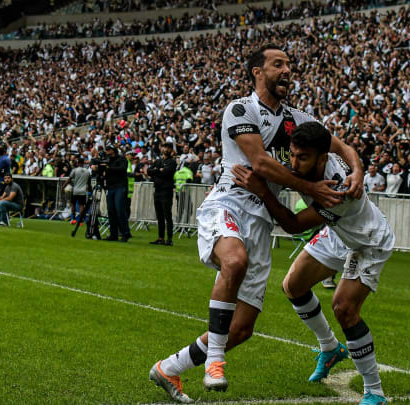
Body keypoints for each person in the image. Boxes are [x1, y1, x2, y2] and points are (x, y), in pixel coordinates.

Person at [149, 44, 364, 403]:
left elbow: (341, 146)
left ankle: (168, 368)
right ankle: (214, 361)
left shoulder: (299, 119)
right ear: (257, 72)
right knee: (234, 261)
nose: (287, 70)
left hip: (262, 220)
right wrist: (311, 187)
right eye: (278, 64)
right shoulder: (240, 109)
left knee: (243, 328)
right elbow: (260, 164)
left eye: (290, 65)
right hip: (228, 203)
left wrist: (357, 170)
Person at [231, 122, 393, 405]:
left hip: (367, 241)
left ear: (322, 158)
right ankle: (330, 348)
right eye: (292, 155)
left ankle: (374, 392)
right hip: (339, 232)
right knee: (293, 286)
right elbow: (344, 146)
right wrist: (359, 169)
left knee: (344, 307)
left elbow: (293, 224)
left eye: (301, 157)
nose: (294, 163)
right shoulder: (318, 155)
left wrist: (263, 191)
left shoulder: (337, 189)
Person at [145, 142, 177, 246]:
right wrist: (158, 170)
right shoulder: (158, 161)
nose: (166, 149)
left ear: (171, 150)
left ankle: (170, 239)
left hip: (166, 191)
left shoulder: (172, 162)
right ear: (162, 148)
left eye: (168, 148)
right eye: (165, 147)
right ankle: (161, 237)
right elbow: (149, 171)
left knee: (167, 215)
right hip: (157, 190)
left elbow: (166, 173)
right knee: (159, 216)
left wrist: (156, 172)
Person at [102, 146, 131, 242]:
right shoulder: (107, 160)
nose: (106, 152)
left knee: (120, 210)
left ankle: (125, 233)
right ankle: (113, 234)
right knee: (111, 211)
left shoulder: (122, 159)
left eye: (108, 149)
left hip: (120, 186)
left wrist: (108, 168)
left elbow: (122, 169)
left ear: (113, 150)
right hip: (110, 187)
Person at [65, 157, 91, 231]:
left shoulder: (75, 170)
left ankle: (73, 219)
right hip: (83, 191)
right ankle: (80, 221)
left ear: (78, 163)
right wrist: (91, 191)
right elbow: (89, 183)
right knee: (81, 206)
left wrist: (63, 186)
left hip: (75, 190)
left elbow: (69, 179)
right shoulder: (87, 171)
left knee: (73, 204)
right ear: (83, 163)